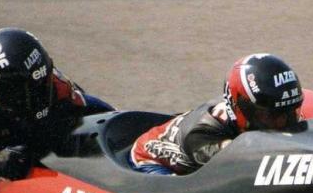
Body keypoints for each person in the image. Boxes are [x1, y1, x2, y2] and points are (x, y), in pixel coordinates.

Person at [0, 27, 114, 192]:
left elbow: (93, 110)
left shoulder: (47, 81)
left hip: (26, 131)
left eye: (42, 84)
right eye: (26, 90)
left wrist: (117, 121)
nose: (38, 95)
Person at [130, 53, 304, 175]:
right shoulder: (202, 135)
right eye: (270, 116)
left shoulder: (258, 115)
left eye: (289, 113)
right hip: (152, 162)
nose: (282, 123)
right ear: (241, 109)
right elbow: (239, 168)